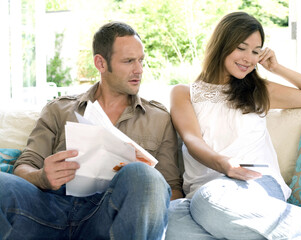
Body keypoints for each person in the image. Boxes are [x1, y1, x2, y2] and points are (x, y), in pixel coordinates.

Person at [165, 12, 301, 240]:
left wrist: (277, 68)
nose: (248, 58)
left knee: (207, 202)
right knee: (173, 221)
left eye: (256, 51)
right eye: (241, 47)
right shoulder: (184, 92)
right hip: (204, 190)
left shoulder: (259, 91)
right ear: (222, 45)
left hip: (255, 182)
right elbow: (192, 139)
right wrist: (225, 165)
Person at [0, 21, 183, 240]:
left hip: (106, 216)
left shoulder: (158, 118)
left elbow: (173, 190)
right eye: (129, 61)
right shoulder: (59, 109)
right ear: (101, 63)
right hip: (49, 209)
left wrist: (137, 191)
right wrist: (41, 177)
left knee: (144, 175)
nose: (139, 70)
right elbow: (24, 166)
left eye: (141, 60)